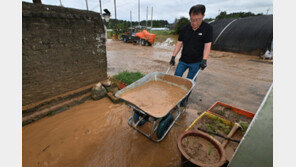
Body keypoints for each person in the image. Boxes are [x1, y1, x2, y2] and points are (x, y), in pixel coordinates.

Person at [169, 4, 213, 107]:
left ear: (203, 16)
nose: (194, 23)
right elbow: (179, 43)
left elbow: (207, 45)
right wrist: (173, 56)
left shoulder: (207, 28)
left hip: (196, 62)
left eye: (198, 20)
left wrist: (204, 60)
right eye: (192, 20)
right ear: (190, 17)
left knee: (189, 82)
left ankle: (184, 99)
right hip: (183, 60)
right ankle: (174, 97)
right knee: (176, 79)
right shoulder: (184, 29)